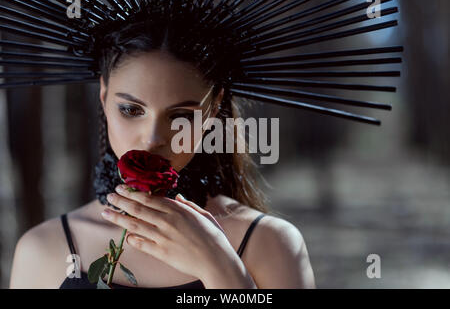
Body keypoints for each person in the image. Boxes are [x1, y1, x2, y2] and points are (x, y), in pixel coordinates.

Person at [9, 17, 315, 289]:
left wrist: (220, 266)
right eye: (131, 109)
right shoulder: (44, 248)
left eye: (181, 116)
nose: (153, 138)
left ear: (213, 110)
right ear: (103, 97)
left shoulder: (271, 243)